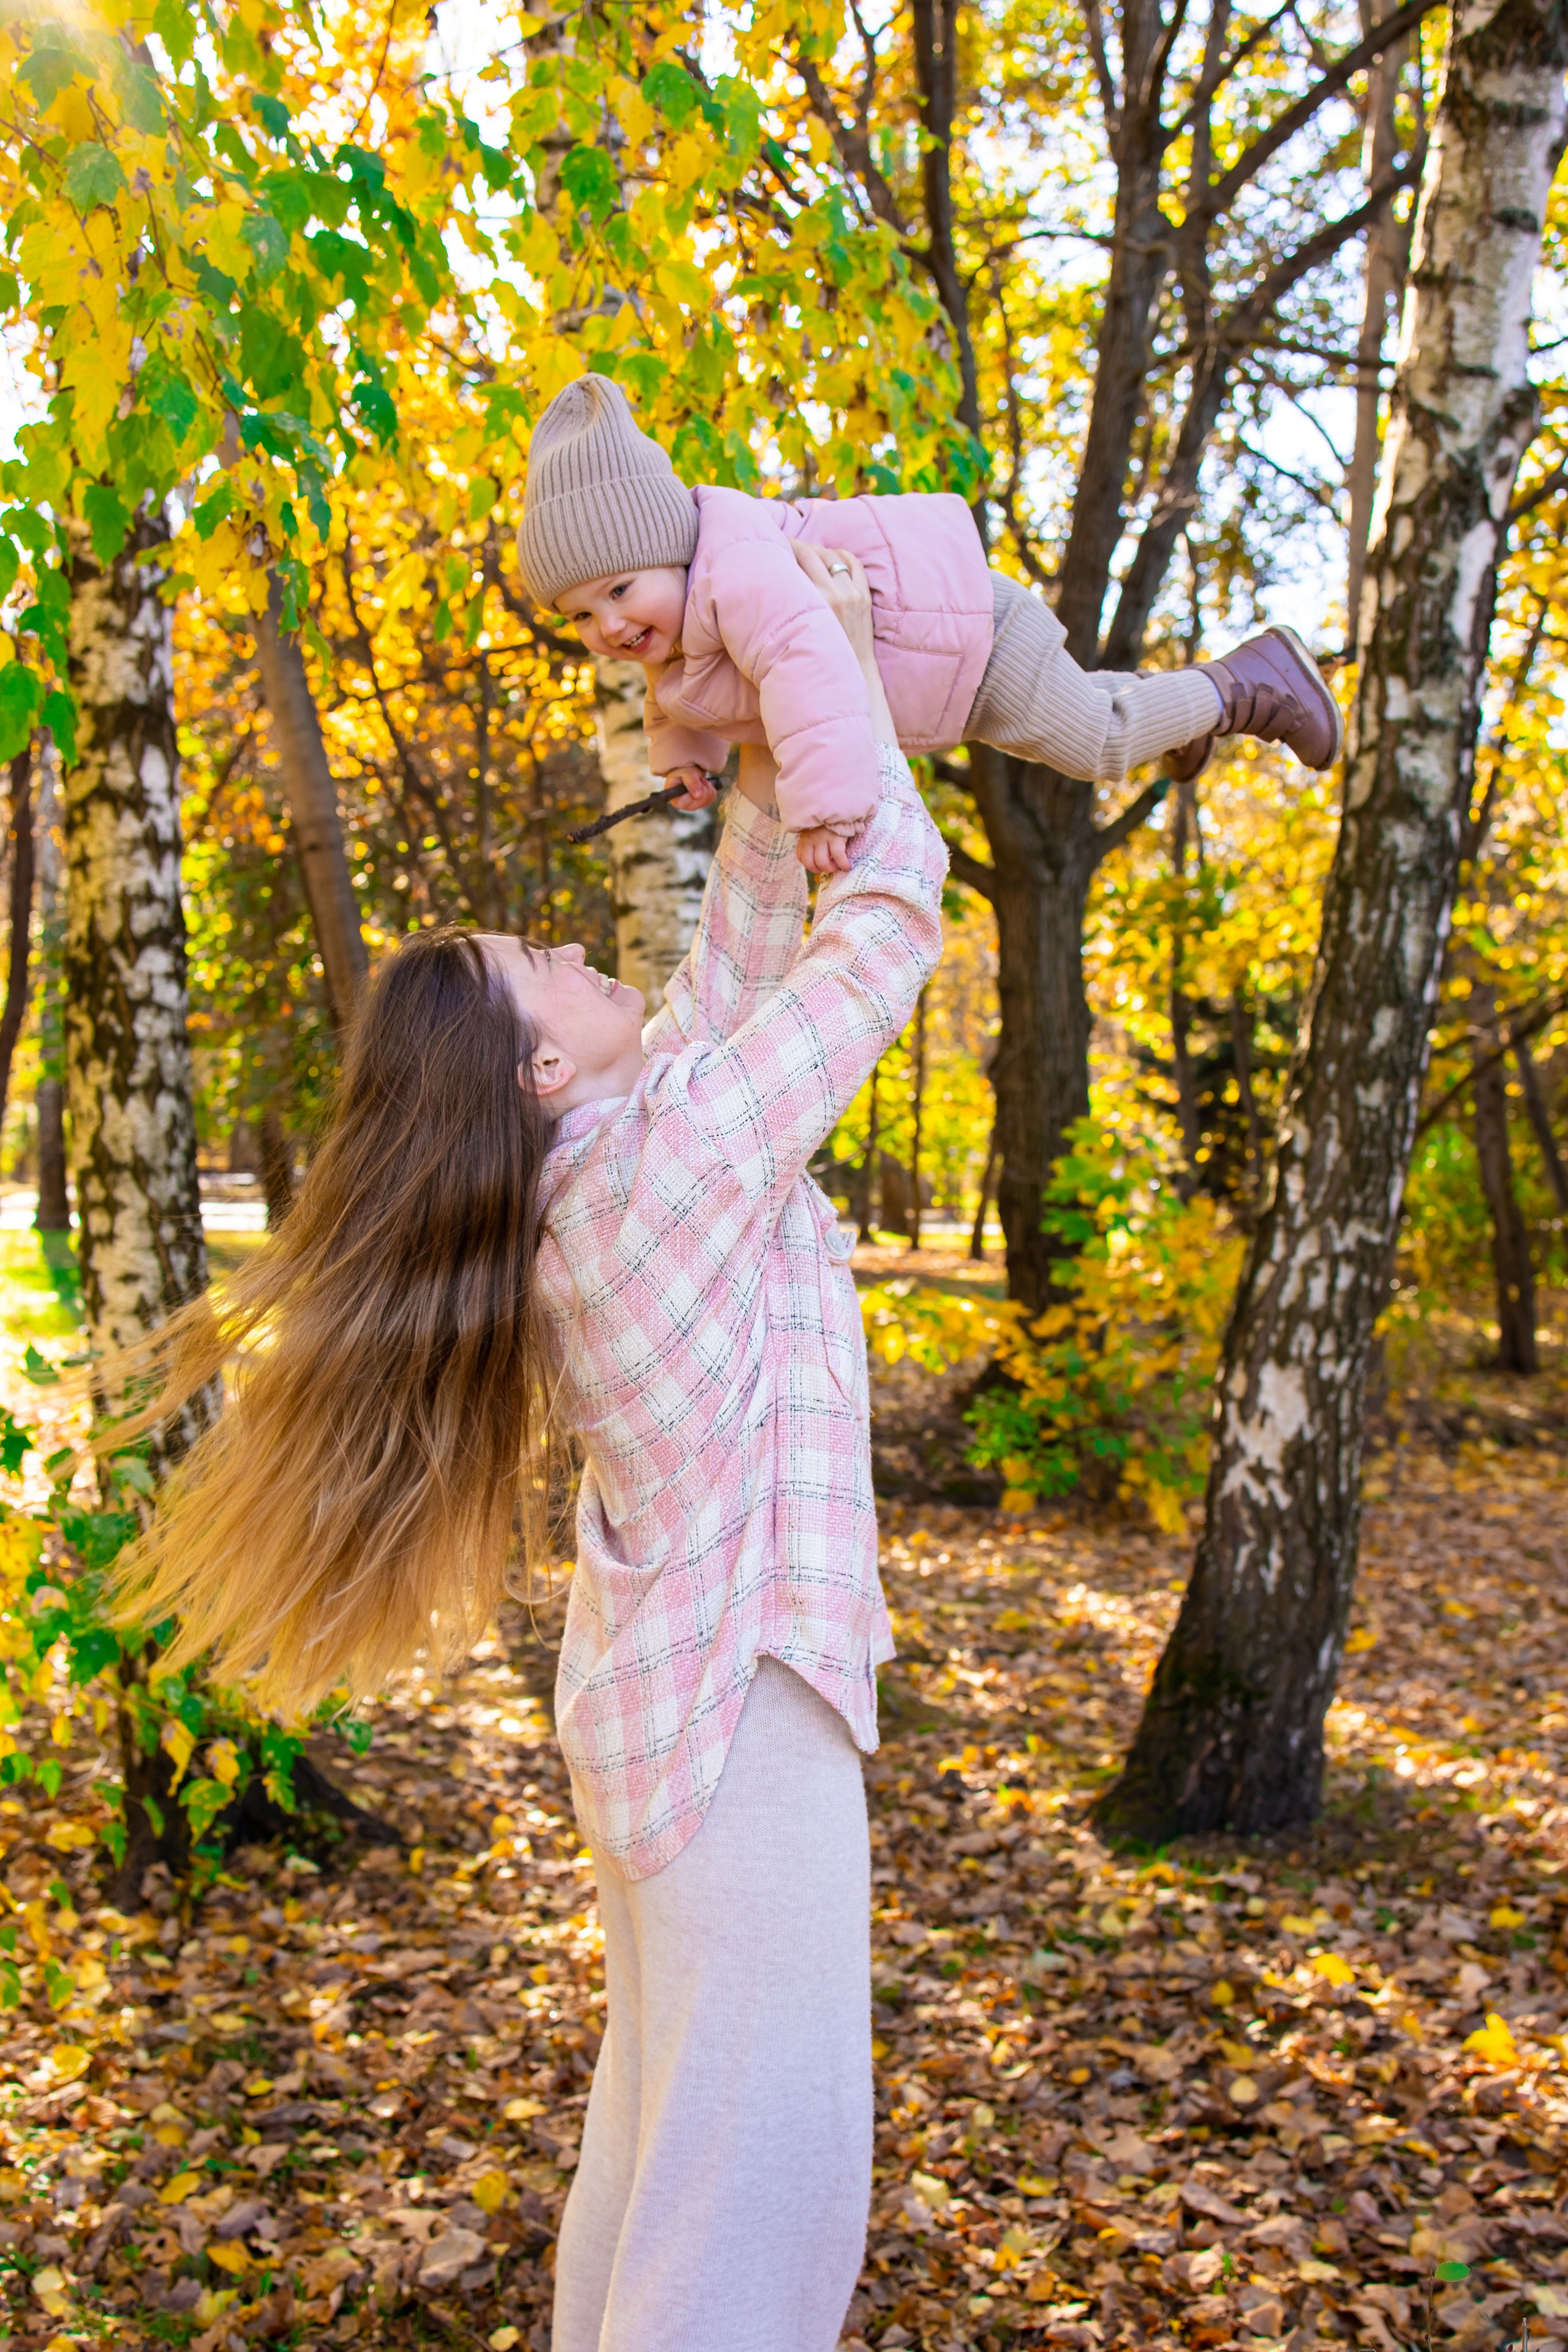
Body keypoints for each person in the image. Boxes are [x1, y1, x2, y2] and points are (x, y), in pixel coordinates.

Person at [107, 548, 941, 2352]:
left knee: (660, 2156)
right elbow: (888, 927)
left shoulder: (620, 1163)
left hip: (671, 1723)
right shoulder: (660, 1181)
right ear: (538, 1077)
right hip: (740, 1732)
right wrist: (844, 736)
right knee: (758, 2190)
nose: (572, 946)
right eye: (537, 966)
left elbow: (734, 965)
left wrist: (782, 716)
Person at [516, 372, 1343, 871]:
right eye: (582, 614)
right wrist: (684, 758)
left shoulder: (737, 572)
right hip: (942, 676)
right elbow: (678, 696)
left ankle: (1248, 682)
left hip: (969, 641)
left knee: (1101, 742)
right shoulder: (669, 624)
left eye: (619, 590)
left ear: (671, 548)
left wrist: (830, 811)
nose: (609, 626)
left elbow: (809, 674)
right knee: (1097, 722)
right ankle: (1181, 713)